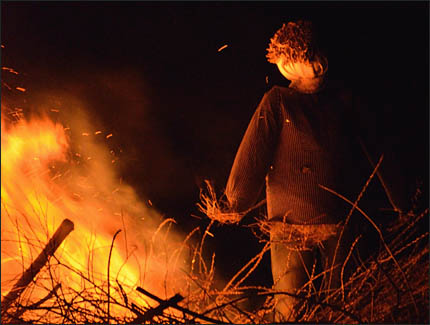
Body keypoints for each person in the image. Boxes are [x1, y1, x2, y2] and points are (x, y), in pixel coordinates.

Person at [223, 20, 362, 321]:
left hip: (335, 220)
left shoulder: (339, 105)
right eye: (309, 60)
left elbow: (370, 149)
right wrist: (235, 201)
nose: (318, 67)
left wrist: (401, 200)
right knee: (289, 303)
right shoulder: (278, 102)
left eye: (319, 58)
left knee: (344, 300)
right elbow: (254, 152)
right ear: (288, 64)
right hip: (289, 223)